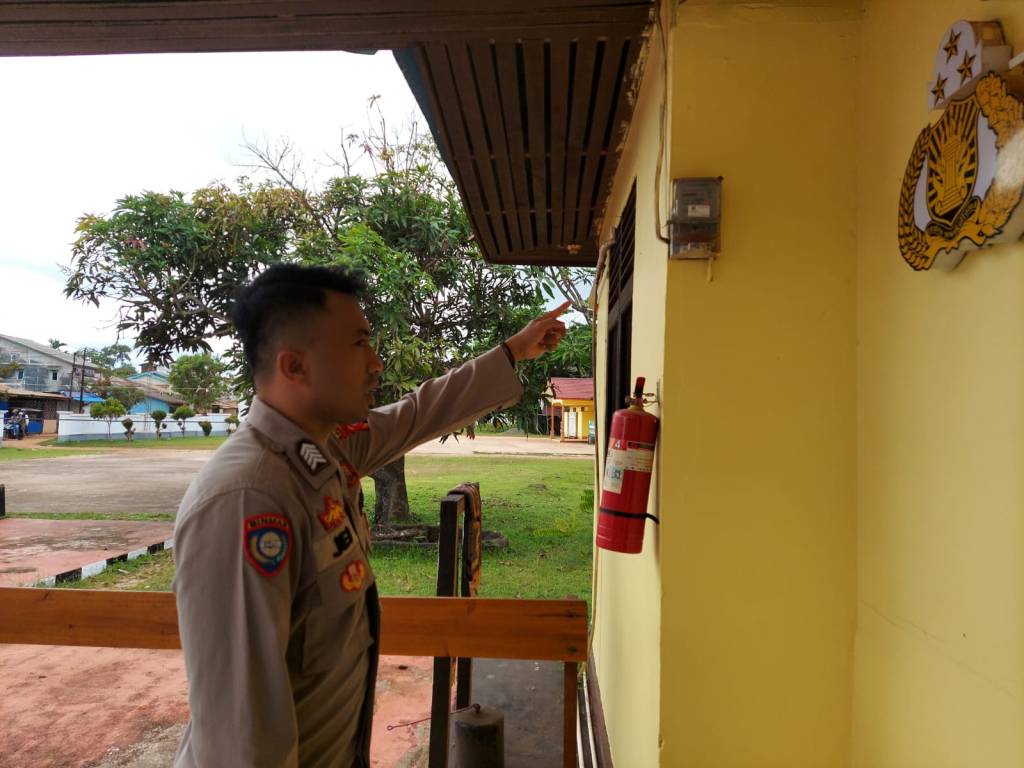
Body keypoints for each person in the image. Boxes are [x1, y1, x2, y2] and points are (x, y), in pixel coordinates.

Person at [172, 263, 569, 767]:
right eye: (359, 344)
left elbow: (419, 412)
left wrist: (512, 351)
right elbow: (241, 739)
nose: (377, 363)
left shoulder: (325, 451)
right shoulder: (248, 497)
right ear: (294, 366)